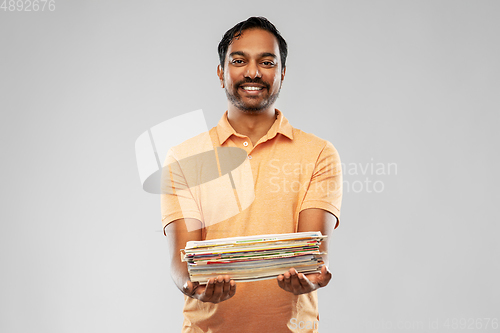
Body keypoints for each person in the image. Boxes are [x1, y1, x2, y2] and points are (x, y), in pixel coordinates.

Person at [161, 17, 342, 333]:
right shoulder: (184, 158)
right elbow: (182, 261)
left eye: (267, 62)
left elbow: (313, 253)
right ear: (221, 73)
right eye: (239, 60)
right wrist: (193, 287)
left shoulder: (319, 153)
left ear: (282, 74)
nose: (253, 72)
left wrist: (311, 277)